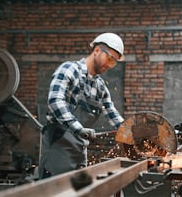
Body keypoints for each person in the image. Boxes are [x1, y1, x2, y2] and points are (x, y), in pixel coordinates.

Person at [39, 32, 125, 178]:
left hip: (79, 150)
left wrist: (130, 132)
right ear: (97, 50)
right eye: (109, 59)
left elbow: (111, 112)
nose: (109, 65)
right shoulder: (69, 70)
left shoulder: (99, 86)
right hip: (58, 147)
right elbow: (55, 101)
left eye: (113, 62)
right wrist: (78, 129)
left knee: (79, 191)